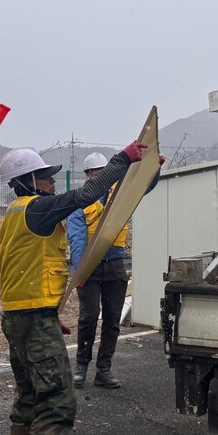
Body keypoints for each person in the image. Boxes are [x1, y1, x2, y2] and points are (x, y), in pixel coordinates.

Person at [0, 141, 146, 435]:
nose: (50, 183)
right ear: (28, 180)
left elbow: (22, 272)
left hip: (20, 317)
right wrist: (123, 160)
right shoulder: (37, 208)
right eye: (45, 177)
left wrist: (48, 312)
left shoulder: (15, 215)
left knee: (29, 395)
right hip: (32, 320)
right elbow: (87, 194)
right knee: (58, 399)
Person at [67, 152, 161, 389]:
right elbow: (76, 239)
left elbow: (143, 187)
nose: (101, 176)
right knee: (88, 318)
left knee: (111, 321)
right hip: (89, 268)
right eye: (96, 172)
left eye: (103, 171)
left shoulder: (120, 197)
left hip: (115, 266)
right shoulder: (81, 203)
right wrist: (80, 271)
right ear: (88, 175)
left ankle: (104, 370)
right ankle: (81, 366)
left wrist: (154, 168)